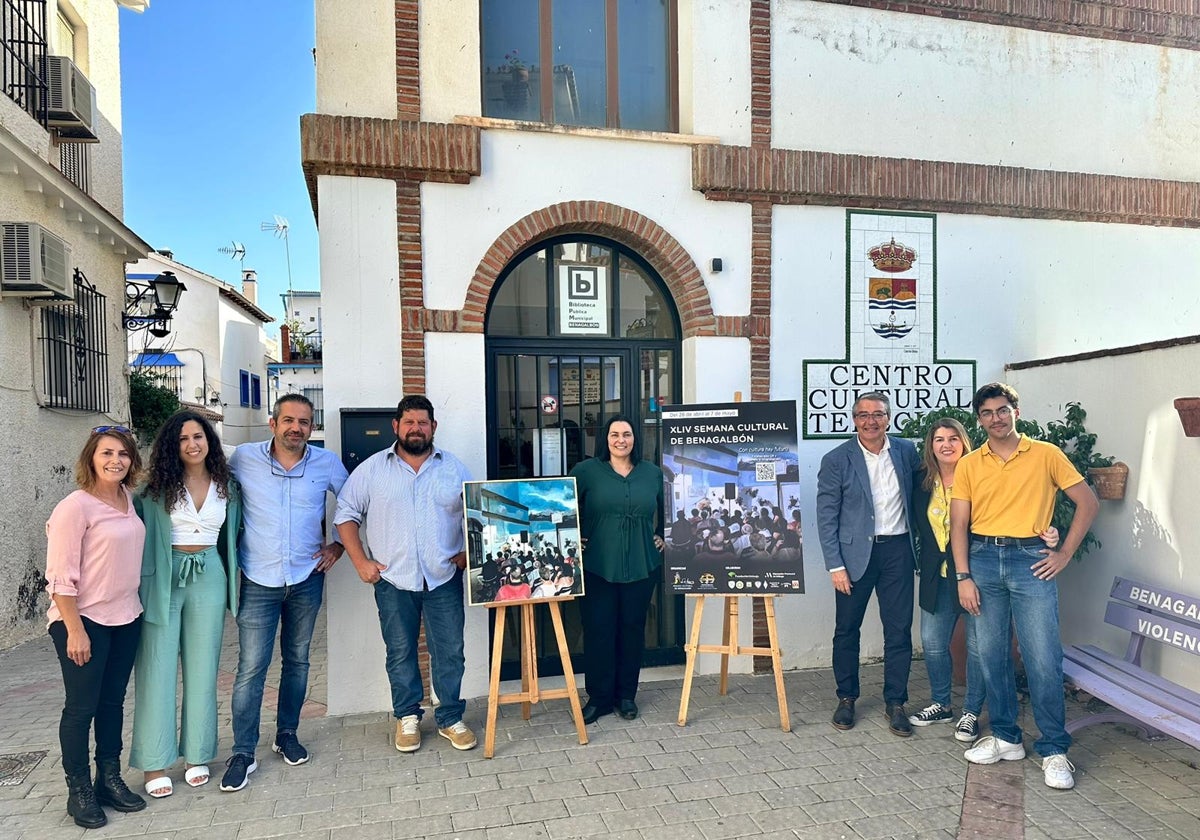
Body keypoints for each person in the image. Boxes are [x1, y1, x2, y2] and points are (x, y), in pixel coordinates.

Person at [951, 383, 1098, 790]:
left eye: (1002, 410)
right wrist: (963, 576)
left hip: (1031, 561)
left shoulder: (1046, 455)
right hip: (981, 559)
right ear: (978, 419)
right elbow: (958, 524)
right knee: (992, 653)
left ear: (1016, 411)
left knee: (1042, 656)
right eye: (987, 413)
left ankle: (1054, 749)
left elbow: (1087, 502)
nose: (995, 418)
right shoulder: (969, 464)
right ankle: (1006, 737)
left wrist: (1064, 553)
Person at [334, 395, 477, 754]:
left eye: (423, 422)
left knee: (451, 651)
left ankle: (449, 718)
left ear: (433, 427)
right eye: (409, 422)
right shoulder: (371, 470)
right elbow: (345, 515)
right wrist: (361, 562)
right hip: (393, 581)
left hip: (443, 577)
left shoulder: (454, 468)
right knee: (400, 651)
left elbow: (475, 514)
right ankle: (407, 716)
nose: (416, 428)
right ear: (395, 426)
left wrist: (467, 552)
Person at [220, 394, 349, 792]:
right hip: (258, 580)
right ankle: (243, 751)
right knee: (251, 669)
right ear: (273, 423)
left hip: (307, 578)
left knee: (297, 661)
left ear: (312, 427)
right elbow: (200, 479)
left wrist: (339, 547)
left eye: (305, 422)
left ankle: (287, 734)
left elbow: (351, 506)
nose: (296, 428)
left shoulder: (326, 462)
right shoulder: (242, 458)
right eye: (289, 420)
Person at [908, 417, 1062, 741]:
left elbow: (1015, 511)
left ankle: (971, 712)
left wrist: (1048, 533)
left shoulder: (981, 474)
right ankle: (941, 703)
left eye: (953, 438)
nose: (947, 444)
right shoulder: (921, 480)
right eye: (939, 439)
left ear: (964, 442)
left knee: (980, 648)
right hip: (937, 575)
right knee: (933, 644)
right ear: (930, 446)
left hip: (977, 573)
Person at [130, 411, 241, 798]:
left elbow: (234, 534)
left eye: (198, 436)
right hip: (164, 573)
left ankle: (197, 754)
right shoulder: (152, 488)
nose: (192, 444)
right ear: (170, 446)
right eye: (182, 439)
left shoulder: (228, 484)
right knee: (156, 668)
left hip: (210, 572)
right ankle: (154, 761)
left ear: (209, 440)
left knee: (202, 668)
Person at [44, 426, 147, 828]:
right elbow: (59, 577)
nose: (115, 460)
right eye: (107, 453)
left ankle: (109, 778)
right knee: (81, 707)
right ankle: (79, 790)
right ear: (91, 457)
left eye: (123, 454)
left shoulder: (127, 500)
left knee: (112, 703)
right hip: (84, 620)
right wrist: (74, 629)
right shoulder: (75, 507)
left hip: (126, 616)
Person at [816, 392, 919, 737]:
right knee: (847, 630)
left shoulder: (906, 452)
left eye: (877, 415)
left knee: (898, 630)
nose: (870, 421)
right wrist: (835, 565)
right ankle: (846, 698)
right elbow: (826, 516)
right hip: (854, 557)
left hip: (898, 551)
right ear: (854, 419)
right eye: (863, 415)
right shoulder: (836, 459)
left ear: (889, 418)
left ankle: (896, 702)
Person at [570, 415, 665, 725]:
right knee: (599, 631)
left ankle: (626, 696)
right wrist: (574, 538)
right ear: (605, 439)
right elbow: (565, 510)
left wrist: (663, 535)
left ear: (635, 438)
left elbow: (671, 511)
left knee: (632, 630)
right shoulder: (585, 472)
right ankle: (598, 698)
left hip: (641, 564)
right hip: (598, 564)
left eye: (626, 434)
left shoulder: (651, 473)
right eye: (614, 434)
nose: (620, 440)